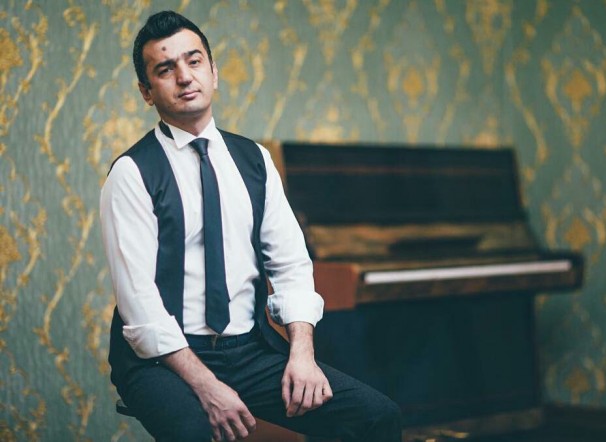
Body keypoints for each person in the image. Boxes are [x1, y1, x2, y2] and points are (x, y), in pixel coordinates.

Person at [100, 10, 402, 442]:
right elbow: (139, 305)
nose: (184, 77)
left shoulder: (255, 160)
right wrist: (207, 387)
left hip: (247, 350)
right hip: (162, 361)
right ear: (146, 92)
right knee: (194, 434)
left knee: (376, 417)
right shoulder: (131, 173)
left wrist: (302, 354)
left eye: (194, 61)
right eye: (165, 69)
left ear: (214, 72)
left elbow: (291, 264)